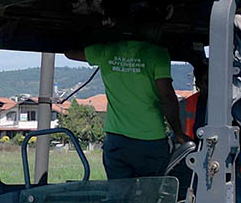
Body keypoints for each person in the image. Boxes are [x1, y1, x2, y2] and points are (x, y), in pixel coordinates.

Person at [66, 39, 189, 179]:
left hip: (117, 140)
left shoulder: (106, 51)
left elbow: (70, 53)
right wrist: (178, 132)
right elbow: (167, 96)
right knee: (151, 193)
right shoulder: (157, 53)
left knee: (118, 195)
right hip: (150, 141)